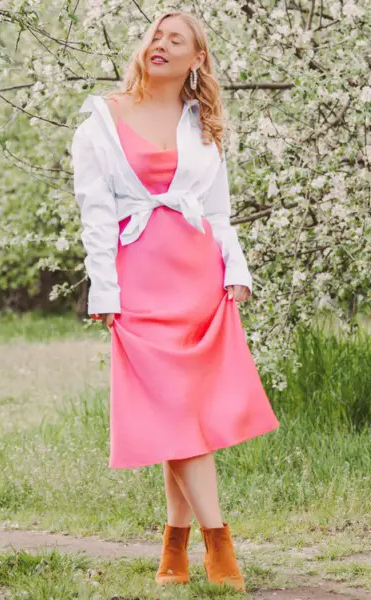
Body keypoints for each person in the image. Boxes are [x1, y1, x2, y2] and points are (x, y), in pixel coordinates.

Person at [71, 9, 280, 593]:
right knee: (175, 415)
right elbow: (95, 215)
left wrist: (233, 269)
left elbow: (217, 210)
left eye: (176, 40)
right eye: (156, 35)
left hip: (199, 280)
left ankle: (174, 546)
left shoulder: (201, 122)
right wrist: (104, 290)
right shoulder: (100, 122)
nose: (160, 44)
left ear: (197, 59)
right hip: (140, 284)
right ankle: (220, 544)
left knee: (182, 419)